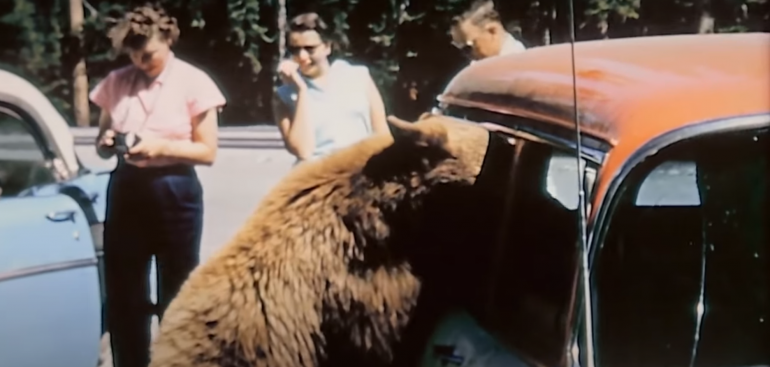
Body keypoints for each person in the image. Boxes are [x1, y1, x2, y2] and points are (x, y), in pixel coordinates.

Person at [89, 3, 226, 367]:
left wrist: (161, 146)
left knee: (177, 292)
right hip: (127, 189)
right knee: (125, 295)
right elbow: (102, 136)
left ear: (167, 39)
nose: (140, 62)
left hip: (174, 190)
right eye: (133, 54)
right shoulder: (118, 82)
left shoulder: (193, 82)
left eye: (148, 54)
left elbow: (207, 150)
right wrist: (105, 143)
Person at [272, 12, 390, 164]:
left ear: (327, 47)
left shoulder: (358, 76)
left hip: (360, 173)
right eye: (295, 49)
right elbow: (303, 150)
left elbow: (382, 134)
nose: (302, 56)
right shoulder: (284, 95)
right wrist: (301, 91)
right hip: (316, 177)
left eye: (310, 48)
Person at [450, 0, 527, 62]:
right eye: (462, 49)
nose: (467, 55)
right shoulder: (482, 63)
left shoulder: (517, 63)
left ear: (492, 31)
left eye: (468, 47)